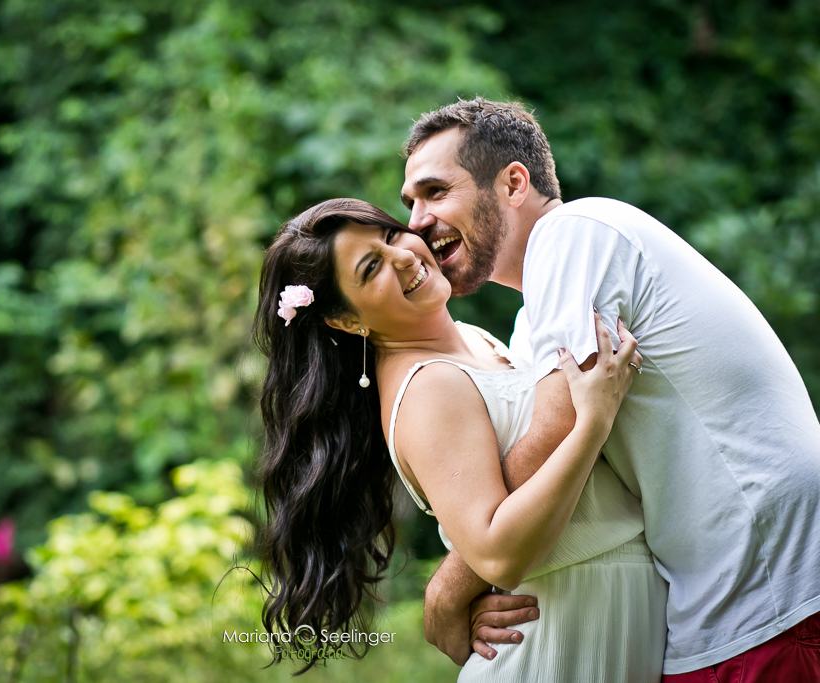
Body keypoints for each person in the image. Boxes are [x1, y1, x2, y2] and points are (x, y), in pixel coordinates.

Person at [401, 97, 820, 681]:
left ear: (515, 182)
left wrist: (449, 589)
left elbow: (558, 427)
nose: (416, 221)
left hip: (771, 586)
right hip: (716, 600)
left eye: (436, 192)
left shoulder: (576, 234)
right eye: (410, 203)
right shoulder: (531, 322)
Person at [253, 198, 666, 681]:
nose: (404, 257)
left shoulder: (472, 339)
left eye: (390, 237)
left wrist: (447, 592)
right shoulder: (428, 386)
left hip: (606, 610)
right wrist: (593, 423)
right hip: (557, 635)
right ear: (346, 321)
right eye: (371, 268)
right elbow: (496, 552)